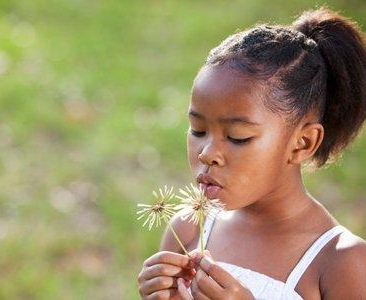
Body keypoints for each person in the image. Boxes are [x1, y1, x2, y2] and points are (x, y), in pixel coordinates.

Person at [137, 5, 366, 299]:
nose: (208, 153)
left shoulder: (341, 263)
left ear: (303, 143)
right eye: (197, 130)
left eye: (237, 137)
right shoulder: (188, 230)